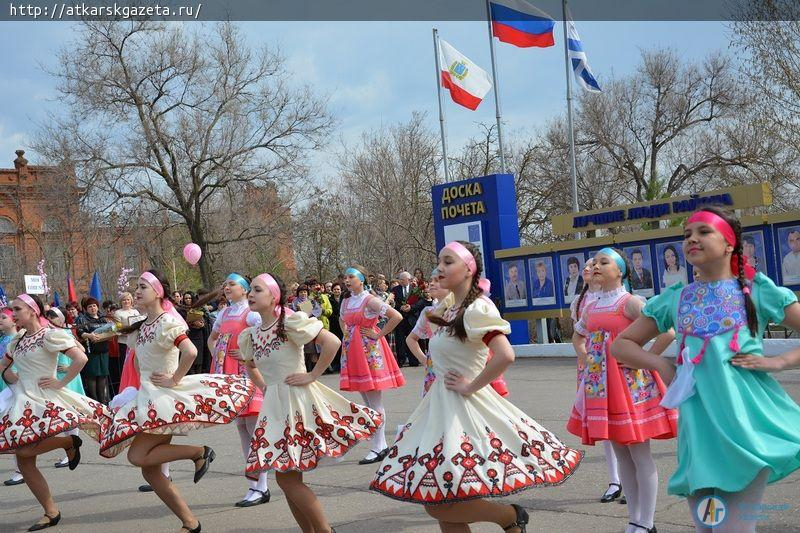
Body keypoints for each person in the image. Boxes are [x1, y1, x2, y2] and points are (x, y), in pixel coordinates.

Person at [370, 241, 583, 532]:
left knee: (443, 498)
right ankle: (509, 518)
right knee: (439, 497)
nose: (440, 268)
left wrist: (471, 386)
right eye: (440, 262)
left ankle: (509, 516)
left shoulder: (478, 307)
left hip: (463, 410)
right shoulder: (448, 307)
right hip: (439, 407)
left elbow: (505, 354)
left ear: (468, 269)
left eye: (448, 262)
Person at [613, 206, 800, 533]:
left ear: (729, 244)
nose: (692, 240)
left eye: (703, 232)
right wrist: (661, 364)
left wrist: (779, 362)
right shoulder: (676, 298)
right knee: (707, 527)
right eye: (687, 235)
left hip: (745, 434)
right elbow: (621, 345)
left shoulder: (756, 291)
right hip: (698, 440)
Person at [99, 270, 256, 533]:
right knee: (150, 471)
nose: (137, 292)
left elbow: (190, 351)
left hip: (163, 401)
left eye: (142, 287)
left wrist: (174, 379)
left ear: (158, 292)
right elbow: (139, 365)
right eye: (136, 287)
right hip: (147, 398)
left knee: (138, 457)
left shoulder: (166, 323)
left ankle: (199, 452)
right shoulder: (142, 326)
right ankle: (190, 523)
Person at [239, 273, 382, 533]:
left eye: (257, 290)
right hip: (275, 407)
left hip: (297, 405)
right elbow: (250, 365)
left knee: (287, 478)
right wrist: (267, 389)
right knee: (286, 477)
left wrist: (313, 375)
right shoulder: (251, 334)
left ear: (273, 296)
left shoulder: (290, 322)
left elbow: (333, 341)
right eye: (249, 289)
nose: (250, 294)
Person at [568, 248, 677, 533]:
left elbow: (667, 330)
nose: (597, 266)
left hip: (630, 386)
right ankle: (634, 519)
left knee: (640, 453)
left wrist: (646, 358)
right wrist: (587, 357)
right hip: (601, 389)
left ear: (620, 271)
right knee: (621, 453)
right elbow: (578, 335)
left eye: (605, 262)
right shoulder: (590, 305)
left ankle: (647, 521)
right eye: (595, 262)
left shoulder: (630, 302)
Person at [0, 294, 112, 531]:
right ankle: (51, 511)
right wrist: (13, 377)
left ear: (32, 310)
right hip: (21, 398)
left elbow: (80, 357)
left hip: (42, 399)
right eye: (12, 310)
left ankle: (68, 442)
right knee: (24, 458)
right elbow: (4, 368)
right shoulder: (18, 340)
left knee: (23, 451)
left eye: (17, 309)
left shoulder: (49, 335)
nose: (13, 313)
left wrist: (60, 383)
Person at [207, 273, 270, 507]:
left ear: (244, 290)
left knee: (253, 428)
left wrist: (248, 356)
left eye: (232, 284)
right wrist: (219, 356)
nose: (226, 287)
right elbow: (211, 340)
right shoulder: (223, 313)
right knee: (242, 427)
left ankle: (261, 485)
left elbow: (266, 335)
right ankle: (254, 483)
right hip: (230, 376)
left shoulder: (251, 314)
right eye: (225, 284)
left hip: (248, 376)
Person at [570, 259, 625, 505]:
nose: (591, 268)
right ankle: (615, 480)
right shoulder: (582, 302)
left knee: (625, 425)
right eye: (589, 265)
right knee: (604, 425)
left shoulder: (621, 299)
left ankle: (630, 481)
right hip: (593, 371)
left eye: (599, 263)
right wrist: (587, 360)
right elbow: (579, 336)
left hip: (618, 368)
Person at [340, 264, 405, 464]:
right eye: (346, 277)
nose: (347, 280)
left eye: (351, 276)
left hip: (368, 351)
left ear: (361, 279)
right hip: (353, 350)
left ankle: (379, 446)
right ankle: (380, 444)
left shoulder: (370, 300)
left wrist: (377, 334)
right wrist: (346, 331)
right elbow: (342, 320)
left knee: (374, 400)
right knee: (366, 401)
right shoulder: (347, 301)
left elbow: (396, 316)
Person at [0, 306, 23, 486]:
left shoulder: (18, 339)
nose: (0, 320)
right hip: (4, 384)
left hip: (14, 387)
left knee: (14, 426)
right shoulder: (3, 339)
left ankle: (20, 469)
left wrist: (16, 380)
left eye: (3, 317)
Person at [75, 296, 112, 404]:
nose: (93, 308)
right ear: (86, 309)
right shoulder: (82, 319)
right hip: (91, 352)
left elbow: (110, 331)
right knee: (92, 376)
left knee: (103, 376)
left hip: (104, 351)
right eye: (90, 306)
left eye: (94, 306)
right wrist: (89, 335)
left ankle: (103, 401)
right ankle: (94, 402)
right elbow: (80, 332)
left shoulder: (103, 318)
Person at [179, 292, 211, 375]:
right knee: (190, 359)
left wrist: (201, 324)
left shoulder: (199, 308)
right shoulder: (181, 310)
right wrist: (191, 323)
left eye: (189, 298)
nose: (188, 300)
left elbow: (205, 321)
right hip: (188, 336)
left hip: (199, 336)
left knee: (199, 359)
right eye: (186, 298)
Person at [390, 271, 417, 367]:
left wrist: (411, 307)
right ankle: (401, 360)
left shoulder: (415, 289)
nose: (401, 281)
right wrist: (399, 307)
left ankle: (413, 360)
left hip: (411, 318)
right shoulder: (395, 289)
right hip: (400, 318)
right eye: (400, 279)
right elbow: (393, 302)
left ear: (409, 280)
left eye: (403, 279)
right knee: (400, 340)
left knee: (412, 339)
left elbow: (420, 302)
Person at [328, 282, 344, 372]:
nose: (336, 291)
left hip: (343, 324)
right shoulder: (329, 300)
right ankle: (336, 364)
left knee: (343, 344)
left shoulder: (344, 299)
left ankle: (344, 363)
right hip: (334, 325)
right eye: (335, 289)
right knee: (336, 344)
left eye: (338, 289)